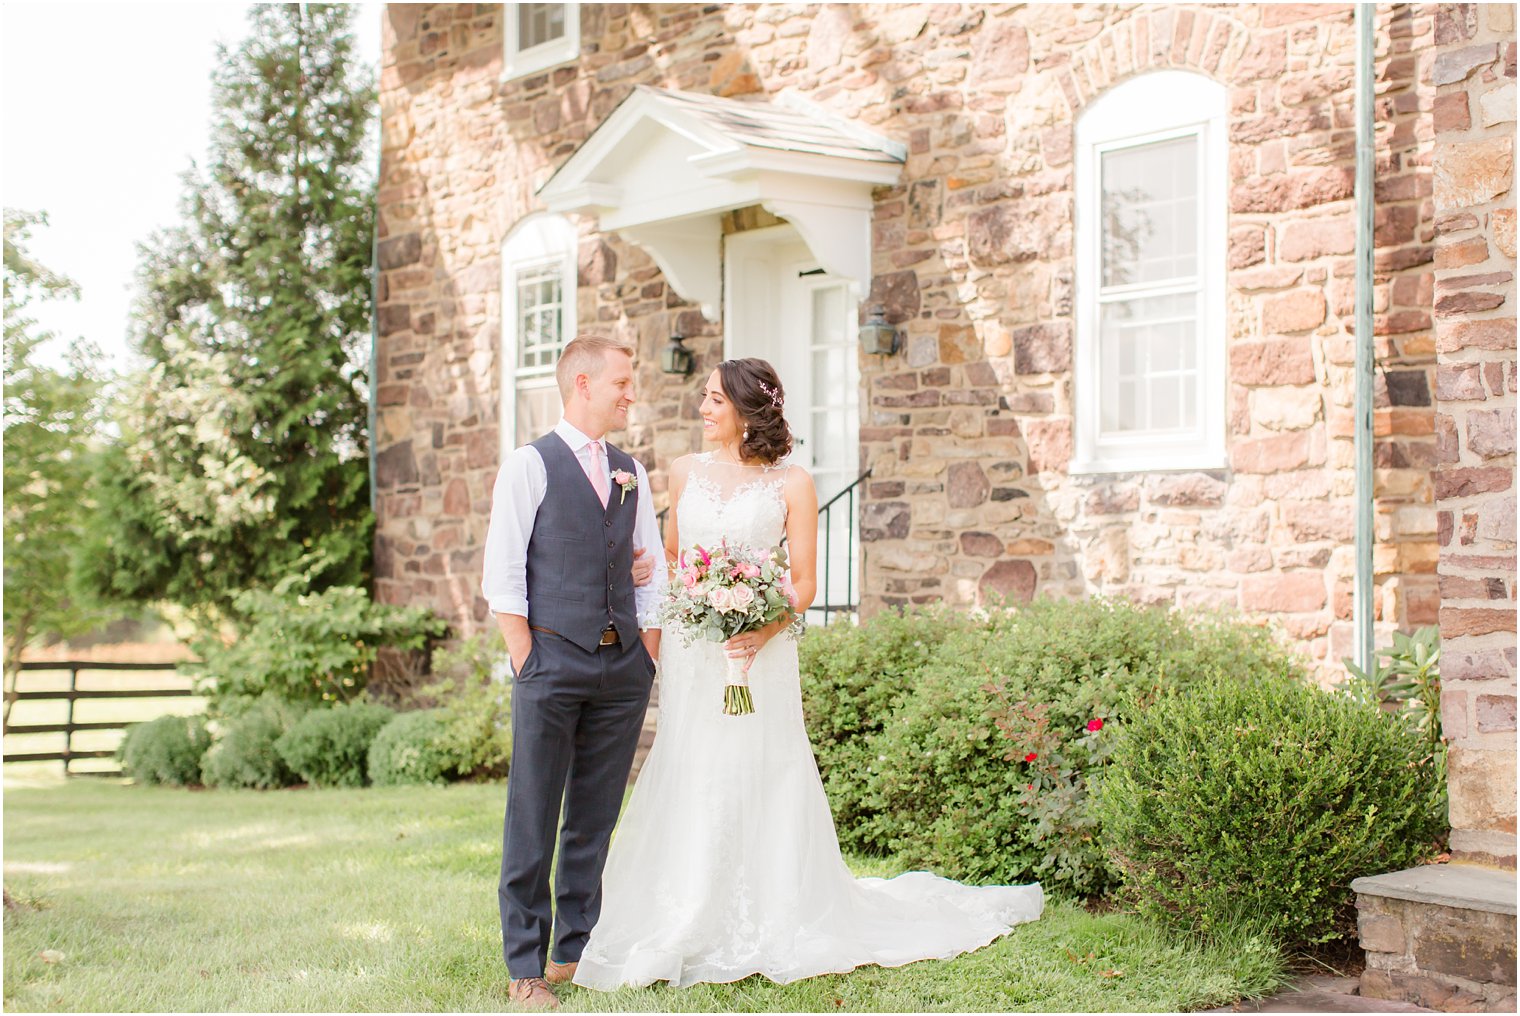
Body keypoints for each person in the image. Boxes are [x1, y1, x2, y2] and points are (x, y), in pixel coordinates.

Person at [572, 357, 1043, 991]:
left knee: (764, 763)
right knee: (696, 760)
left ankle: (775, 906)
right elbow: (679, 562)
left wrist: (757, 629)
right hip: (698, 652)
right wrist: (682, 597)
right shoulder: (682, 472)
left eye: (714, 400)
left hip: (762, 653)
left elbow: (803, 583)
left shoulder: (793, 482)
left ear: (745, 408)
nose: (703, 410)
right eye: (704, 399)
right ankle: (686, 903)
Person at [480, 334, 666, 1010]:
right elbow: (503, 578)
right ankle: (524, 966)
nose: (630, 392)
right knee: (534, 811)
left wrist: (648, 651)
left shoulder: (630, 471)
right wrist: (528, 658)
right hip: (551, 661)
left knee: (593, 814)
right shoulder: (528, 466)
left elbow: (652, 566)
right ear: (582, 384)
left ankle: (573, 950)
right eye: (622, 381)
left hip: (622, 667)